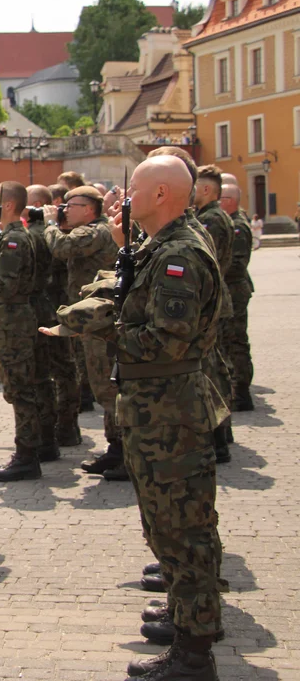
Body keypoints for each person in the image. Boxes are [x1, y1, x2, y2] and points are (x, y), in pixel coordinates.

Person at [108, 155, 226, 680]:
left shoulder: (179, 256)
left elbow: (163, 338)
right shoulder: (162, 247)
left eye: (133, 188)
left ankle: (194, 654)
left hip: (169, 413)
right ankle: (188, 622)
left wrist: (103, 327)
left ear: (160, 195)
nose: (125, 198)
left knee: (182, 531)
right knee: (169, 527)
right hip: (158, 409)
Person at [42, 185, 122, 478]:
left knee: (106, 386)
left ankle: (122, 452)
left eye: (70, 206)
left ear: (89, 209)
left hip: (99, 320)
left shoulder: (95, 231)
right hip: (92, 318)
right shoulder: (96, 229)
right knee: (101, 385)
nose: (63, 209)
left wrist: (49, 224)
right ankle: (116, 448)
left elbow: (63, 247)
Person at [0, 182, 42, 482]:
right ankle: (31, 448)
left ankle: (27, 454)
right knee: (21, 386)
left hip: (13, 318)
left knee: (19, 388)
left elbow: (6, 285)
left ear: (7, 205)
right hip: (15, 316)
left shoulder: (14, 239)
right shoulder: (14, 235)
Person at [26, 185, 81, 449]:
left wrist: (50, 224)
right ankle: (65, 426)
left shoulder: (54, 232)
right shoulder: (53, 231)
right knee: (62, 368)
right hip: (54, 305)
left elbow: (59, 252)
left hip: (57, 306)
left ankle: (65, 426)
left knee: (61, 368)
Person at [193, 165, 235, 463]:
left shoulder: (210, 220)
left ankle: (219, 436)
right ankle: (221, 434)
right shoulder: (211, 216)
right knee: (213, 368)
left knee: (212, 370)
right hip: (214, 300)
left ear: (206, 190)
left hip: (211, 301)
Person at [220, 184, 254, 411]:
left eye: (221, 197)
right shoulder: (230, 222)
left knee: (236, 341)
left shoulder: (238, 226)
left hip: (235, 289)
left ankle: (241, 392)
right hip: (231, 288)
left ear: (230, 200)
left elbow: (237, 263)